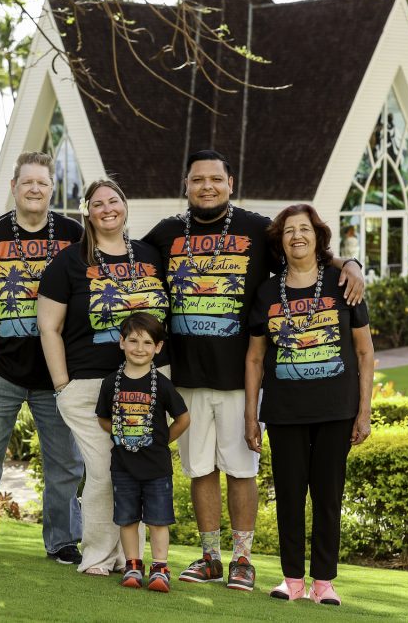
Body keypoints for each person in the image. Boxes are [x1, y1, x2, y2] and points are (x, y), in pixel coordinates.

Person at [142, 149, 365, 592]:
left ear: (231, 183)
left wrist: (350, 263)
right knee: (199, 469)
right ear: (185, 186)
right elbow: (124, 259)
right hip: (186, 376)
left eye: (215, 179)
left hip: (240, 379)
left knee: (241, 469)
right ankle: (209, 557)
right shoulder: (165, 234)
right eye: (197, 179)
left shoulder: (256, 230)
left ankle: (242, 560)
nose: (207, 186)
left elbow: (304, 252)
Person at [0, 151, 84, 565]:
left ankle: (63, 541)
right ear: (14, 188)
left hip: (58, 374)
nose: (35, 189)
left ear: (51, 187)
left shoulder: (75, 236)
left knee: (65, 463)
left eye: (43, 182)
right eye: (28, 182)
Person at [38, 178, 171, 576]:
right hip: (89, 385)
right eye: (98, 203)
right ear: (87, 212)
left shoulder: (150, 253)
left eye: (114, 200)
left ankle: (129, 559)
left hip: (147, 383)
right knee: (102, 470)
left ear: (125, 206)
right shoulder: (68, 262)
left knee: (138, 469)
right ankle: (97, 556)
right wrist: (62, 385)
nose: (107, 209)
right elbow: (49, 327)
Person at [245, 203, 374, 606]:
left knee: (328, 495)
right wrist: (252, 416)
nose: (296, 236)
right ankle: (292, 580)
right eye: (288, 231)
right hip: (284, 411)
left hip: (336, 409)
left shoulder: (343, 283)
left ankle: (324, 582)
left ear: (318, 237)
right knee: (288, 495)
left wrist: (365, 409)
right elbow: (253, 358)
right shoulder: (267, 291)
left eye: (304, 229)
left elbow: (365, 352)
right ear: (280, 242)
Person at [94, 313, 190, 593]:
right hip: (123, 466)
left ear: (158, 348)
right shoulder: (111, 382)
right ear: (121, 342)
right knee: (127, 518)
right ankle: (133, 565)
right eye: (133, 340)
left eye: (147, 342)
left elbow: (183, 419)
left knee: (158, 520)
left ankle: (160, 567)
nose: (139, 348)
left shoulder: (162, 383)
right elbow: (102, 418)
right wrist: (122, 436)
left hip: (157, 468)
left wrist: (160, 441)